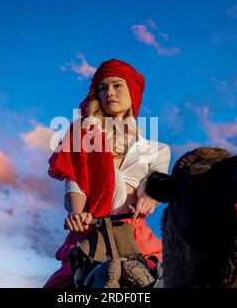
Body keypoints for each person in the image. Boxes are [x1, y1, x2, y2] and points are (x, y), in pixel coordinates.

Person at [43, 58, 171, 288]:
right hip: (90, 234)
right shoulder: (84, 135)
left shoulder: (158, 150)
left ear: (132, 91)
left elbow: (155, 184)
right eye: (103, 87)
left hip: (135, 235)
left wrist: (150, 198)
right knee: (58, 286)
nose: (109, 93)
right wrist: (76, 213)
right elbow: (76, 183)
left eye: (117, 85)